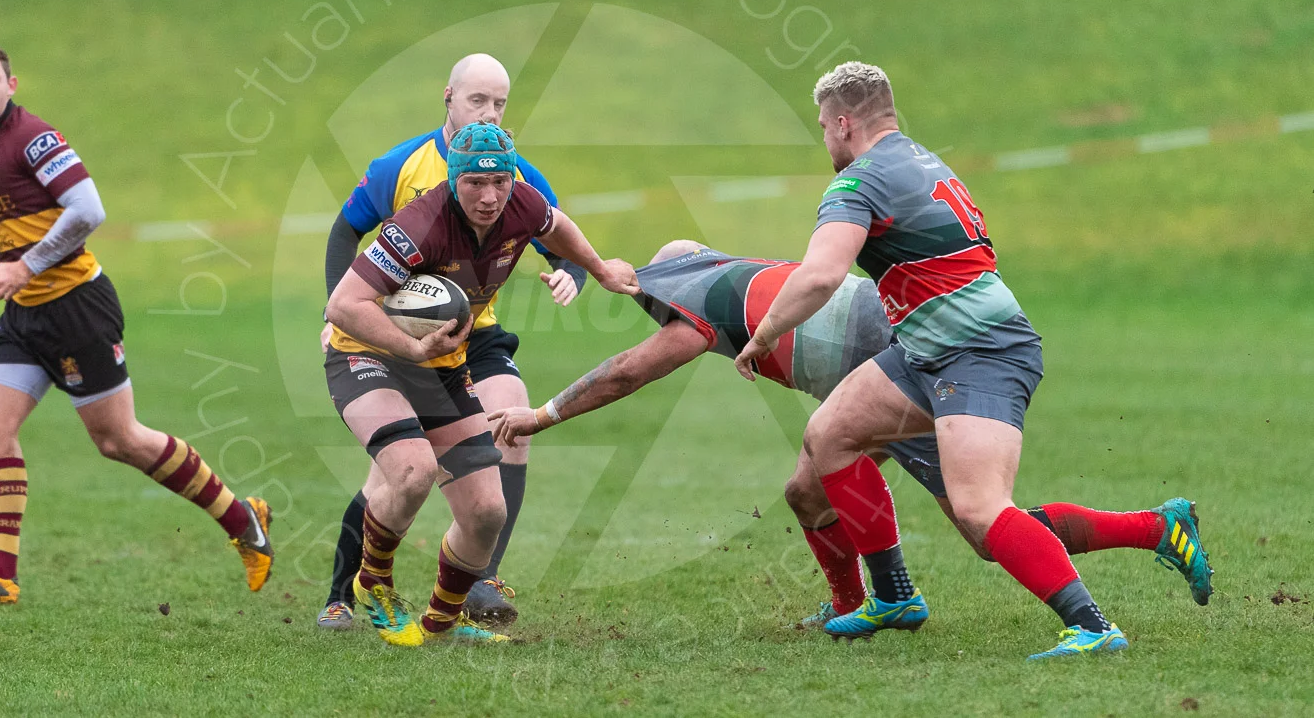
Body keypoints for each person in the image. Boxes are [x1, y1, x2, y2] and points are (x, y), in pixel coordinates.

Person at [732, 61, 1211, 660]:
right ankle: (893, 595)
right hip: (926, 351)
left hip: (979, 353)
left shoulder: (859, 182)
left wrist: (765, 331)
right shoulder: (921, 160)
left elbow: (822, 274)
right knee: (829, 436)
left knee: (981, 512)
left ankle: (1094, 626)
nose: (825, 140)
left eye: (824, 128)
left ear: (844, 122)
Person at [488, 240, 1213, 627]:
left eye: (652, 302)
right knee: (812, 489)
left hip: (889, 360)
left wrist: (541, 415)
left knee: (981, 519)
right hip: (884, 344)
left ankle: (892, 600)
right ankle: (1153, 530)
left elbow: (625, 374)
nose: (654, 314)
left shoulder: (692, 314)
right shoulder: (711, 271)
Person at [0, 41, 274, 604]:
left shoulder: (33, 139)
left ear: (12, 86)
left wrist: (26, 266)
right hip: (25, 316)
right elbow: (7, 226)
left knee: (119, 440)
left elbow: (88, 210)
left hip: (77, 311)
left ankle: (243, 523)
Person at [323, 121, 638, 647]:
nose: (490, 197)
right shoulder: (418, 225)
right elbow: (343, 305)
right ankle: (373, 581)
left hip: (442, 363)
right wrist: (412, 348)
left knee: (487, 512)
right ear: (452, 179)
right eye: (474, 184)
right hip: (367, 353)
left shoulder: (523, 203)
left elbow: (555, 225)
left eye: (500, 183)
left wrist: (600, 269)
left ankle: (443, 622)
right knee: (412, 470)